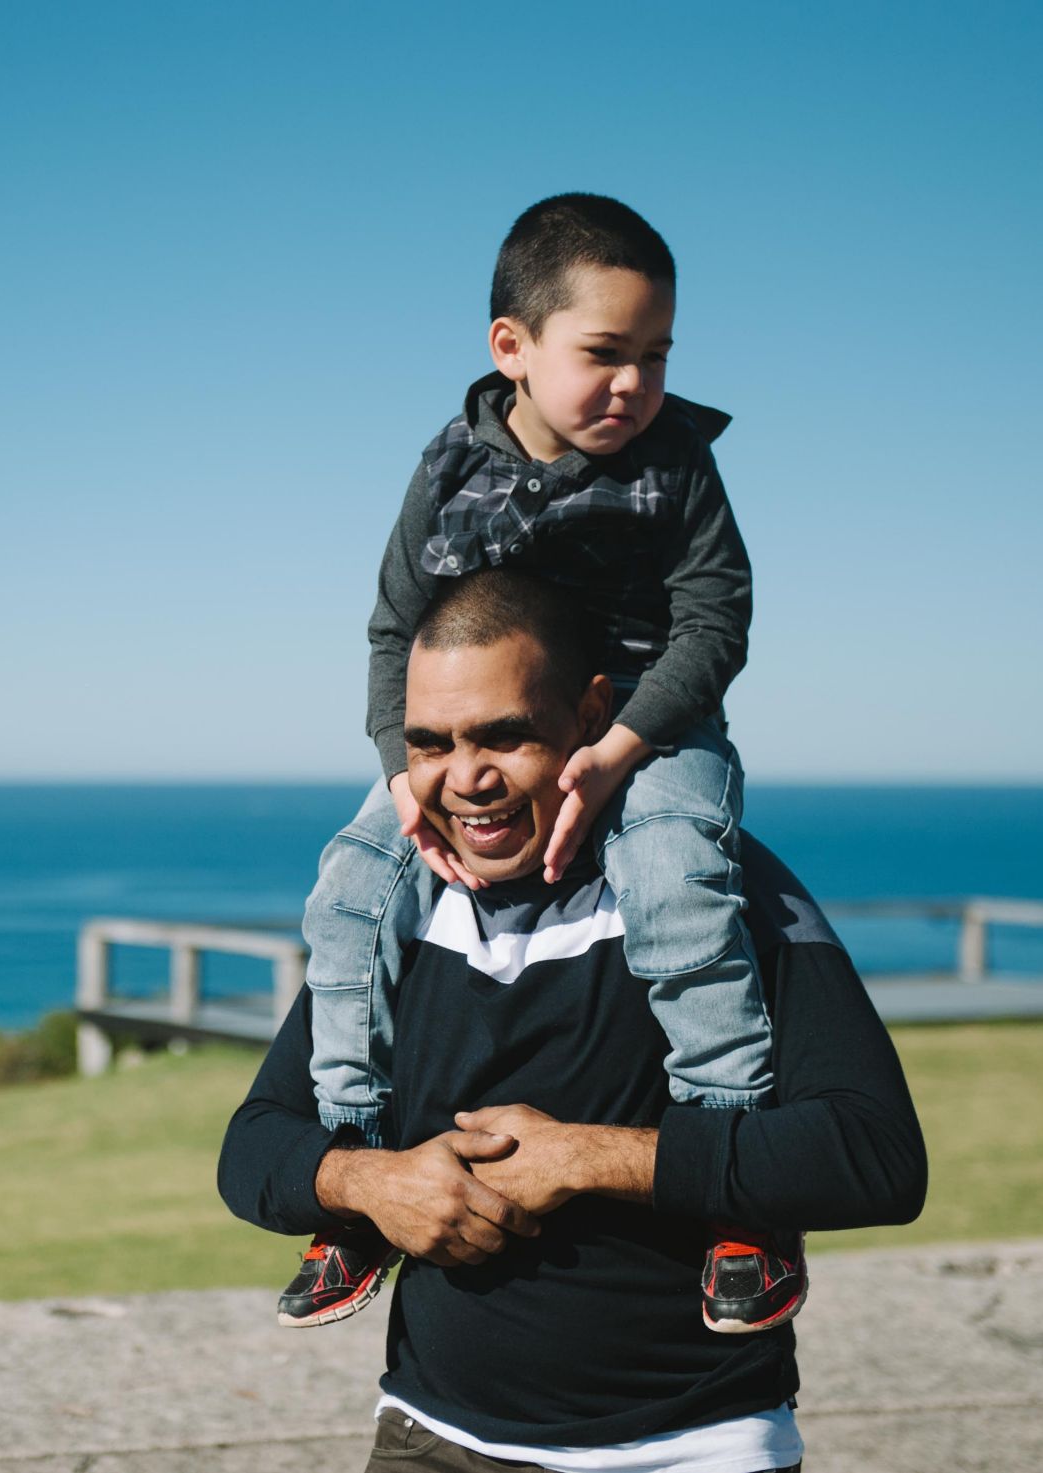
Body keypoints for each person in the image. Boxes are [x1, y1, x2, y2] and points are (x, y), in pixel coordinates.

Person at [219, 570, 926, 1472]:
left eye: (504, 737)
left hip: (695, 1448)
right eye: (428, 743)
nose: (465, 779)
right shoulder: (392, 912)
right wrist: (370, 1183)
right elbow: (252, 1147)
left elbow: (875, 1157)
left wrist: (591, 1159)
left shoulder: (708, 890)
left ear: (592, 714)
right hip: (430, 1439)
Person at [285, 194, 783, 1334]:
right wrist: (401, 771)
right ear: (511, 347)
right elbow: (390, 632)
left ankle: (731, 1178)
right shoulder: (448, 469)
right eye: (603, 354)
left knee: (672, 883)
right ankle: (356, 1166)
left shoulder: (677, 466)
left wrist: (615, 753)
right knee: (347, 892)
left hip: (643, 731)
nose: (634, 385)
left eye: (655, 356)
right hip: (482, 733)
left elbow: (715, 624)